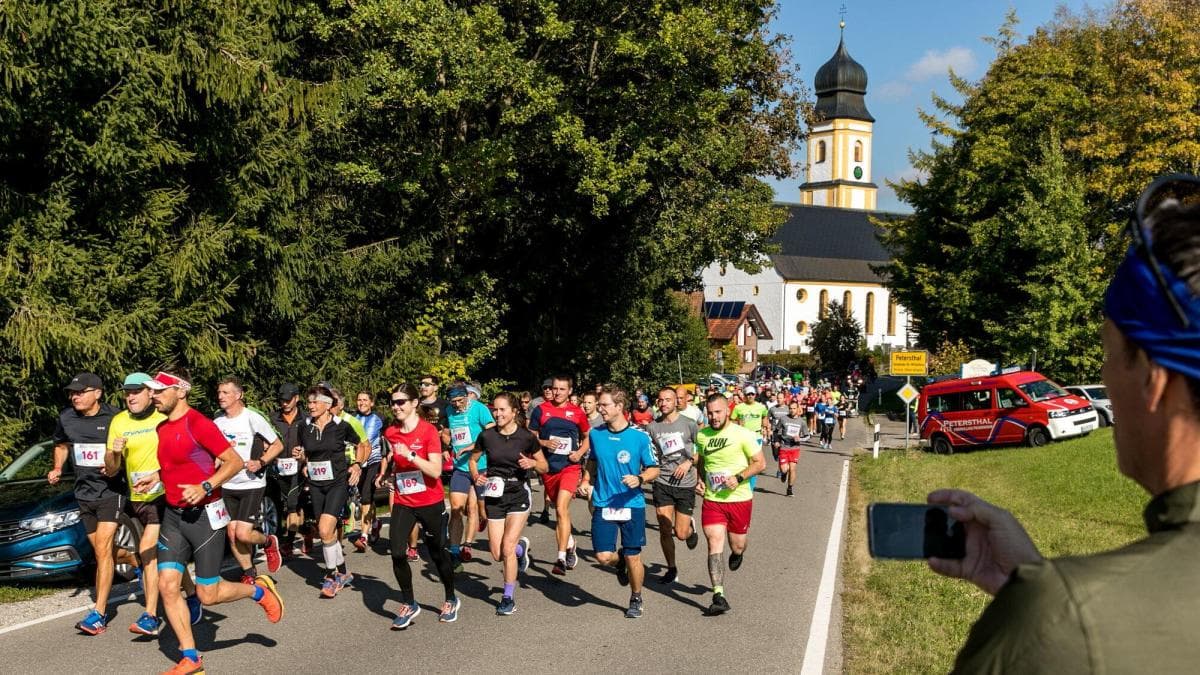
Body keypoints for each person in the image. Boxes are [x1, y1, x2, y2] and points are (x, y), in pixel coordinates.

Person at [927, 176, 1200, 672]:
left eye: (1110, 356)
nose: (1102, 376)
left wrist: (1043, 604)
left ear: (1154, 380)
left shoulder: (1067, 619)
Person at [144, 370, 282, 674]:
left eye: (159, 391)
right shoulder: (161, 428)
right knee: (168, 585)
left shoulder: (200, 424)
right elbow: (175, 464)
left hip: (205, 516)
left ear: (180, 391)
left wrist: (206, 486)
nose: (153, 396)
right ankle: (191, 656)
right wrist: (155, 477)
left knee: (209, 594)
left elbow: (233, 461)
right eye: (151, 392)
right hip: (173, 517)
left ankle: (258, 591)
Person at [105, 372, 200, 636]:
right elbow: (112, 470)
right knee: (166, 556)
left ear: (151, 393)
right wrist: (113, 452)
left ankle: (150, 616)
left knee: (148, 550)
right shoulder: (119, 422)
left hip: (165, 497)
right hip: (138, 499)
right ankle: (191, 594)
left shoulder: (164, 417)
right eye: (127, 392)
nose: (131, 397)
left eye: (137, 391)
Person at [47, 372, 127, 635]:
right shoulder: (66, 417)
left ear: (97, 393)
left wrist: (116, 461)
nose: (75, 396)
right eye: (72, 392)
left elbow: (131, 449)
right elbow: (61, 444)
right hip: (84, 493)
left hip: (110, 492)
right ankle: (143, 560)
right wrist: (57, 467)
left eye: (80, 392)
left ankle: (99, 614)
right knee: (106, 551)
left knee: (102, 552)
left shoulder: (115, 417)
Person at [377, 383, 460, 628]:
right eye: (393, 402)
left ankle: (450, 597)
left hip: (430, 501)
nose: (396, 406)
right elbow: (393, 458)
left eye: (401, 402)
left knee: (437, 553)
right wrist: (390, 473)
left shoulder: (428, 432)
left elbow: (435, 471)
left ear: (414, 403)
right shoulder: (391, 431)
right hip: (404, 500)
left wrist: (412, 456)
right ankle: (409, 603)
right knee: (397, 552)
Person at [579, 386, 660, 618]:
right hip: (604, 502)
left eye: (604, 405)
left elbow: (654, 468)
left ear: (619, 407)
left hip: (631, 504)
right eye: (599, 405)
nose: (599, 409)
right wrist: (586, 479)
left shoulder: (639, 436)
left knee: (634, 554)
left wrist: (640, 478)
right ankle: (619, 562)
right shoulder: (596, 434)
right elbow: (592, 460)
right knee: (603, 556)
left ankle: (636, 597)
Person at [469, 392, 547, 615]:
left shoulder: (527, 438)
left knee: (507, 548)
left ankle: (507, 597)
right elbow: (473, 460)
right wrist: (476, 476)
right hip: (494, 494)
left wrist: (532, 462)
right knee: (496, 553)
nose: (498, 413)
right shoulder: (486, 436)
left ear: (514, 412)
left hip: (518, 494)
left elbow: (544, 466)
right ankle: (522, 548)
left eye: (503, 409)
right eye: (496, 409)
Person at [695, 393, 765, 615]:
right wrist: (699, 480)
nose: (713, 417)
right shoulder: (702, 436)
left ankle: (738, 553)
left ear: (727, 411)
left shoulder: (743, 434)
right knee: (714, 542)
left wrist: (739, 477)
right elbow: (703, 462)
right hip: (713, 500)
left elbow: (760, 463)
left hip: (739, 499)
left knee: (737, 545)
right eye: (710, 413)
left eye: (718, 412)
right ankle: (718, 595)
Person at [294, 384, 364, 598]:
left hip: (337, 483)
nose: (310, 406)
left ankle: (330, 576)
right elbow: (305, 454)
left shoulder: (341, 425)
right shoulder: (304, 427)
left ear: (326, 405)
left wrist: (357, 465)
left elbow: (361, 444)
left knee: (324, 530)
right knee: (327, 532)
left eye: (315, 402)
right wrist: (302, 458)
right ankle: (343, 572)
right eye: (309, 402)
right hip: (316, 484)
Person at [214, 376, 285, 583]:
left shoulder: (251, 417)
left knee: (243, 534)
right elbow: (217, 451)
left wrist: (261, 462)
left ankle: (268, 541)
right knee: (233, 534)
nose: (221, 396)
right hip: (227, 483)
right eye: (219, 393)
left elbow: (277, 445)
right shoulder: (217, 422)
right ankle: (249, 572)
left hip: (251, 483)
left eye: (226, 392)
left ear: (239, 395)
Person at [529, 375, 591, 575]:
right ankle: (570, 543)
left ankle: (561, 558)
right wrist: (545, 443)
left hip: (569, 467)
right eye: (554, 388)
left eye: (562, 389)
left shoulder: (577, 412)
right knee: (557, 507)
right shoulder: (541, 410)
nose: (557, 392)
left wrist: (579, 453)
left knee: (561, 509)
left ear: (570, 391)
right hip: (548, 468)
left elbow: (588, 436)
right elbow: (531, 434)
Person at [646, 387, 700, 584]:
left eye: (668, 400)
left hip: (685, 483)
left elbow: (701, 449)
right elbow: (650, 454)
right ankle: (671, 568)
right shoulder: (652, 427)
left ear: (676, 401)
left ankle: (690, 529)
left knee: (681, 533)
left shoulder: (689, 424)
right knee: (663, 527)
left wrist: (689, 463)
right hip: (663, 481)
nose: (664, 403)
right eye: (660, 400)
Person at [445, 382, 496, 566]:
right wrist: (446, 445)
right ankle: (455, 550)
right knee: (457, 509)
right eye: (453, 402)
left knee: (480, 510)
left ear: (467, 396)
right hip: (460, 468)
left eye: (460, 400)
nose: (457, 404)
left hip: (481, 466)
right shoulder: (449, 411)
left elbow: (492, 432)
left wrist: (471, 447)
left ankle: (472, 540)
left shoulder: (479, 409)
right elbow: (447, 432)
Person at [269, 382, 306, 558]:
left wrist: (304, 453)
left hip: (299, 468)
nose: (284, 403)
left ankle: (289, 543)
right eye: (282, 400)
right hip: (278, 468)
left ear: (296, 399)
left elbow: (313, 442)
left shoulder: (306, 419)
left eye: (288, 400)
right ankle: (307, 530)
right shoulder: (272, 418)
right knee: (293, 506)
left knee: (292, 505)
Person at [352, 390, 385, 547]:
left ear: (372, 403)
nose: (361, 403)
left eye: (365, 400)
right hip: (357, 462)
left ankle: (363, 535)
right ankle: (375, 523)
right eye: (359, 400)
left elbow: (380, 442)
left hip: (373, 460)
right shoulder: (352, 418)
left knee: (366, 495)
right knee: (367, 496)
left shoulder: (379, 419)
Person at [771, 400, 809, 497]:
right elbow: (776, 431)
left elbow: (807, 436)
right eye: (790, 408)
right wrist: (776, 441)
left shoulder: (802, 422)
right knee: (784, 470)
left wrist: (800, 439)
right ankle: (784, 473)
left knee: (793, 469)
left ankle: (789, 489)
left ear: (797, 409)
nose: (792, 410)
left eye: (794, 408)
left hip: (795, 448)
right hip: (784, 447)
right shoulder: (783, 419)